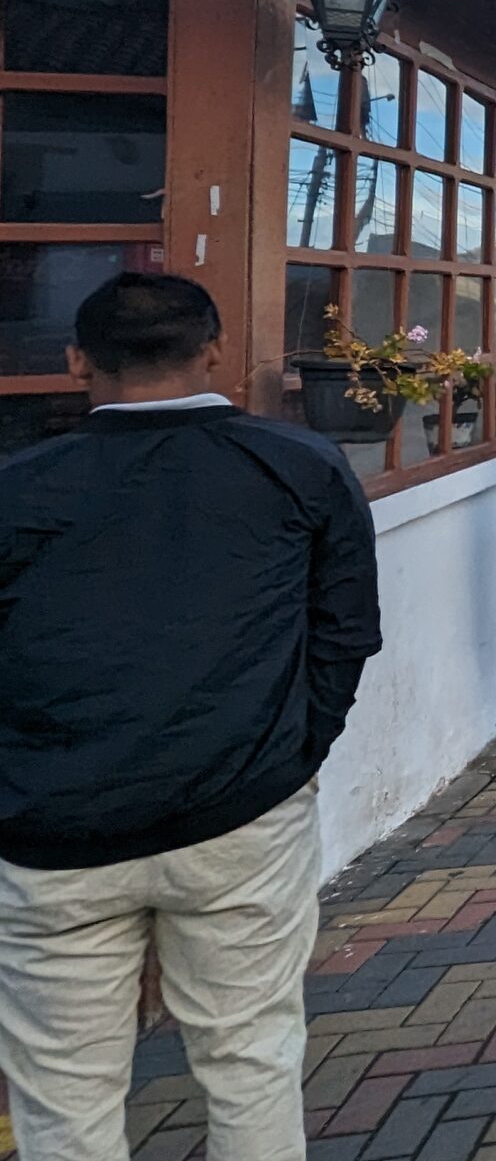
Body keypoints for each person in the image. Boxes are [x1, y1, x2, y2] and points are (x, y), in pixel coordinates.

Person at [0, 274, 382, 1161]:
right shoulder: (298, 465)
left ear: (77, 361)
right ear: (214, 349)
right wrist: (294, 751)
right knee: (251, 1058)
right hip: (242, 812)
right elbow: (345, 634)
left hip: (52, 832)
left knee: (64, 1095)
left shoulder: (19, 489)